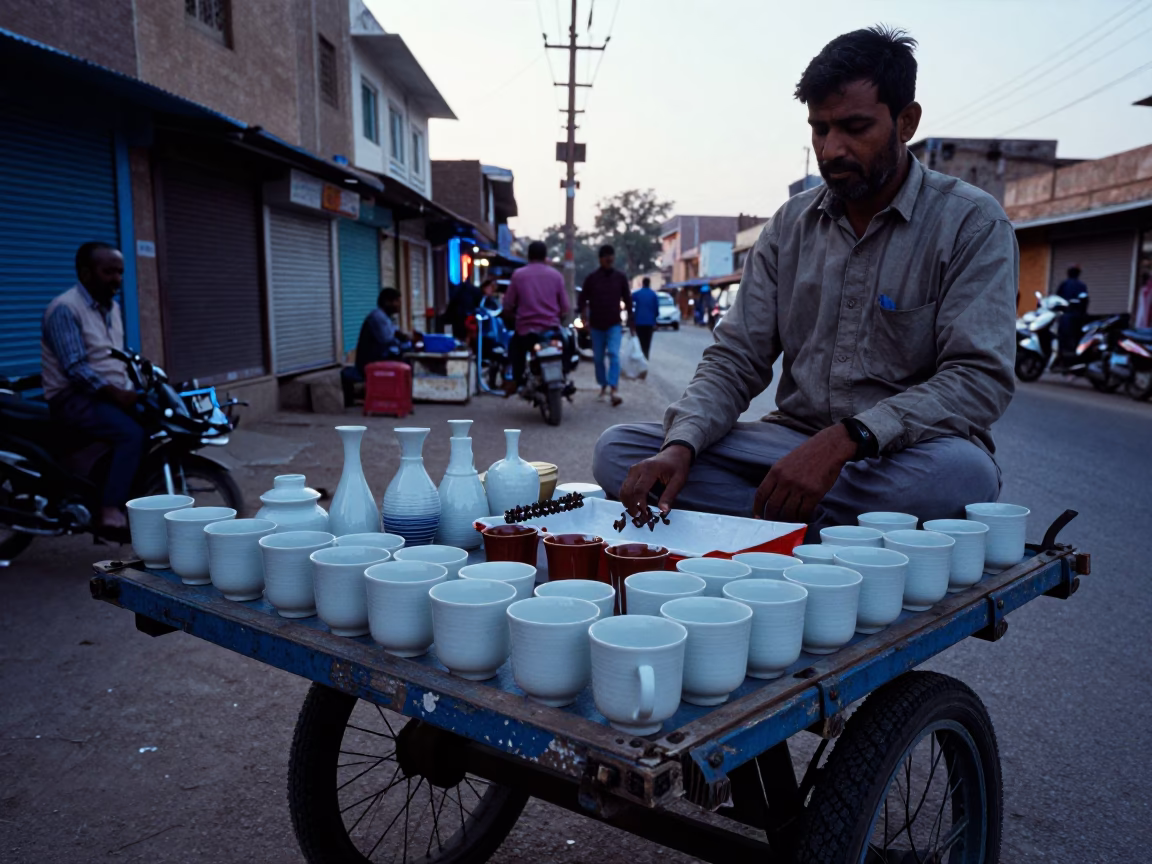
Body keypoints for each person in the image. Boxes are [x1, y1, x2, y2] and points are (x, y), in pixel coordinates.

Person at [592, 26, 1016, 540]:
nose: (832, 149)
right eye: (819, 129)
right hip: (787, 448)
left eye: (854, 128)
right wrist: (679, 446)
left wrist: (849, 438)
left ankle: (765, 525)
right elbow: (735, 359)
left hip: (906, 456)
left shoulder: (971, 223)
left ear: (906, 121)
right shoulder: (788, 226)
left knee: (961, 477)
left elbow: (978, 380)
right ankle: (834, 529)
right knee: (620, 453)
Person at [41, 242, 142, 531]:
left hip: (104, 395)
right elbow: (75, 368)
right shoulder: (64, 309)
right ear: (86, 273)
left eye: (120, 273)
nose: (117, 280)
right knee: (130, 435)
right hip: (72, 397)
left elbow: (114, 355)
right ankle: (110, 508)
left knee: (152, 421)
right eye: (109, 272)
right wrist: (116, 393)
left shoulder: (112, 307)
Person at [502, 241, 570, 387]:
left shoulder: (518, 275)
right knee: (567, 347)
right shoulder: (556, 276)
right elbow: (565, 308)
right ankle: (564, 375)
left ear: (528, 256)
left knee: (514, 350)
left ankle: (516, 381)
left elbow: (508, 304)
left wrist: (509, 313)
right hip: (552, 331)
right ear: (545, 256)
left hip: (526, 332)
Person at [341, 288, 416, 407]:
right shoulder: (377, 317)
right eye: (397, 301)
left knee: (408, 355)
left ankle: (405, 395)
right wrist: (403, 342)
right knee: (404, 359)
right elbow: (387, 340)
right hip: (371, 360)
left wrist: (405, 337)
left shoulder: (386, 318)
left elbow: (395, 333)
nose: (399, 305)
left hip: (379, 355)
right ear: (387, 302)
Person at [580, 244, 632, 406]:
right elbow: (583, 300)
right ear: (600, 259)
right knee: (597, 359)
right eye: (606, 257)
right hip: (596, 326)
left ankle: (614, 389)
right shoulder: (592, 278)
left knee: (614, 355)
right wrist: (584, 318)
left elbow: (628, 300)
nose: (609, 259)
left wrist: (632, 321)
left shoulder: (620, 277)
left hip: (614, 324)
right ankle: (603, 386)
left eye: (611, 256)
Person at [1054, 265, 1089, 363]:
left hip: (1065, 316)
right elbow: (1085, 301)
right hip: (1077, 317)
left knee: (1062, 338)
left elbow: (1057, 299)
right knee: (1075, 338)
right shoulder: (1081, 286)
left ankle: (1062, 359)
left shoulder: (1064, 284)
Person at [631, 277, 659, 359]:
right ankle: (645, 358)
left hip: (639, 323)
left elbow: (629, 300)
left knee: (639, 342)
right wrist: (655, 318)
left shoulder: (637, 294)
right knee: (647, 343)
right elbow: (656, 309)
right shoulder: (653, 295)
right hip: (649, 323)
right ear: (649, 283)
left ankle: (640, 358)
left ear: (643, 283)